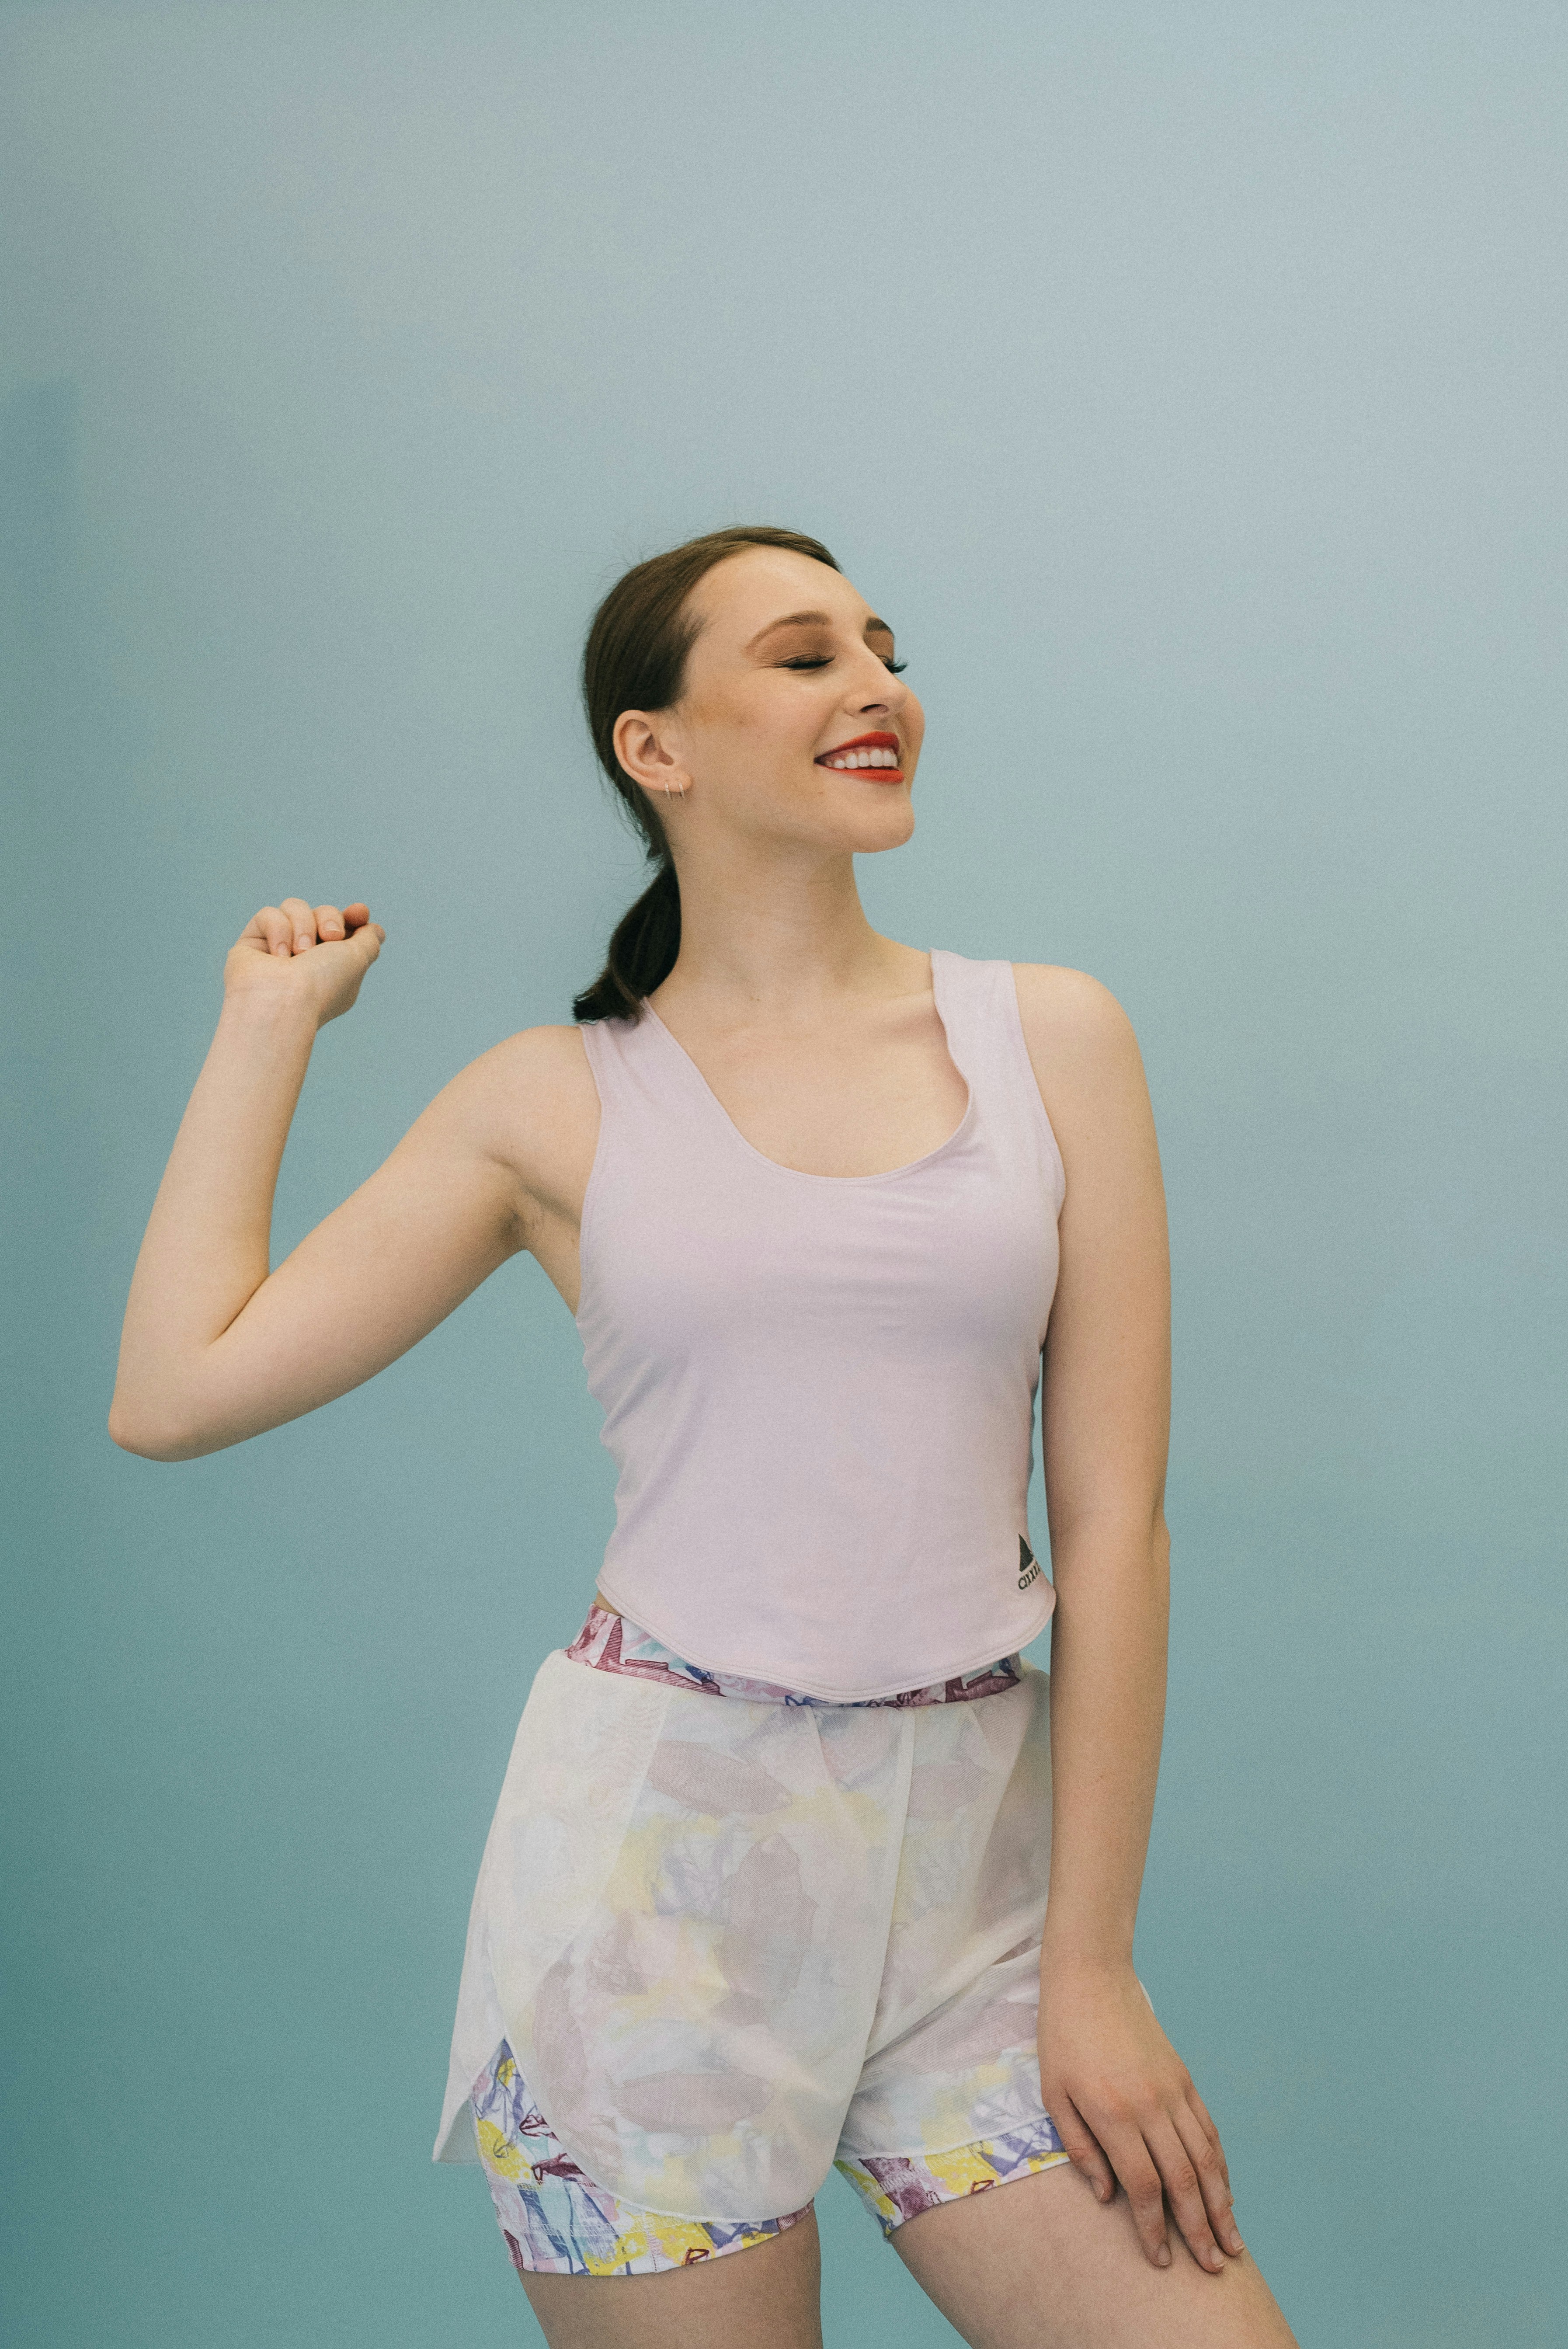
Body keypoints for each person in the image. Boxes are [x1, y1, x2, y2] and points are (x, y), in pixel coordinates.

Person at [110, 525, 1298, 2349]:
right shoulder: (548, 1102)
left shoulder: (1048, 1037)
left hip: (977, 1896)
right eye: (806, 657)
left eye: (883, 650)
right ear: (653, 747)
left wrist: (1093, 1966)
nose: (877, 687)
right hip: (652, 1907)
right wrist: (267, 1025)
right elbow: (174, 1393)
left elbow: (1113, 1519)